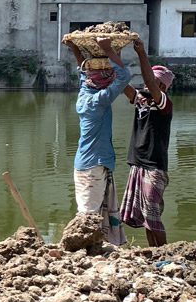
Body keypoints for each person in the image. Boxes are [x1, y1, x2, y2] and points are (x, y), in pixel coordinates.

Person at [63, 36, 132, 245]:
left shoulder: (85, 93)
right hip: (92, 165)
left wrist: (75, 48)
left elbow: (83, 70)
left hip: (89, 163)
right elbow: (124, 77)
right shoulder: (97, 100)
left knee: (90, 210)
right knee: (88, 214)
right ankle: (77, 248)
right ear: (103, 81)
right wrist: (108, 50)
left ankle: (92, 247)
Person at [120, 39, 174, 247]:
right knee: (144, 215)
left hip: (154, 165)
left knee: (152, 213)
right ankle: (154, 252)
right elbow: (123, 85)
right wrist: (109, 59)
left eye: (151, 81)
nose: (145, 85)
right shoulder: (142, 100)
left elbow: (150, 83)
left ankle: (164, 252)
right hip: (139, 163)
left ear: (161, 85)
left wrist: (142, 54)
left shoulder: (164, 103)